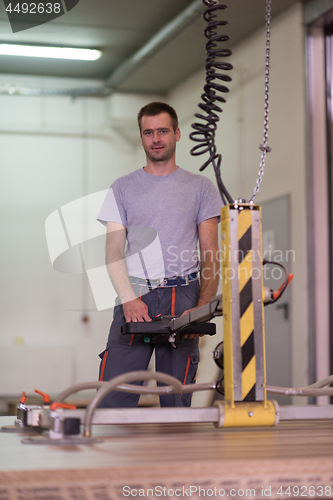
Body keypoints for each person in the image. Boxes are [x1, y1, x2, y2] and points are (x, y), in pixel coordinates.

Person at [97, 101, 222, 407]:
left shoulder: (201, 188)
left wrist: (202, 307)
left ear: (177, 134)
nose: (156, 138)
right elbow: (113, 250)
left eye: (163, 131)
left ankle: (179, 455)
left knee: (177, 398)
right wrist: (128, 298)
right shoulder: (122, 188)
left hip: (185, 295)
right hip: (135, 293)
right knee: (116, 396)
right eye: (148, 132)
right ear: (141, 138)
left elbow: (211, 254)